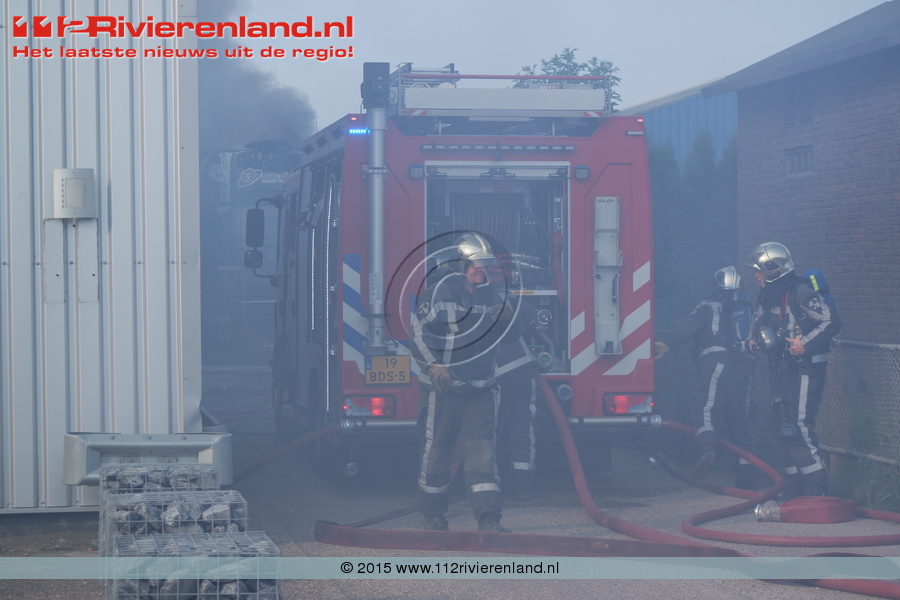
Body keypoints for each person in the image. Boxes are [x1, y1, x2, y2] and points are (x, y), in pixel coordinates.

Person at [410, 232, 517, 532]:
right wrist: (434, 366)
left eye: (485, 265)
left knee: (483, 452)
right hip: (444, 388)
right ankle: (433, 514)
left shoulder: (491, 295)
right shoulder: (439, 293)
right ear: (460, 265)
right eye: (475, 265)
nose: (481, 270)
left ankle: (489, 517)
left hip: (481, 387)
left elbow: (509, 337)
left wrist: (509, 319)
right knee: (438, 450)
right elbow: (418, 335)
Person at [746, 242, 840, 499]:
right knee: (780, 428)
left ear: (771, 270)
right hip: (781, 369)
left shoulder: (801, 291)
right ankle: (793, 491)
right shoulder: (767, 295)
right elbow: (758, 324)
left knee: (799, 426)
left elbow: (831, 321)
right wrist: (752, 341)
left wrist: (805, 344)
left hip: (805, 367)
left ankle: (816, 494)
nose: (755, 276)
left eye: (758, 271)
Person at [654, 265, 759, 489]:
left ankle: (706, 449)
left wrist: (666, 344)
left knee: (706, 406)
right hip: (745, 367)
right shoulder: (749, 309)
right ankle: (748, 479)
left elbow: (687, 328)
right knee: (740, 420)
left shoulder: (707, 306)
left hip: (715, 361)